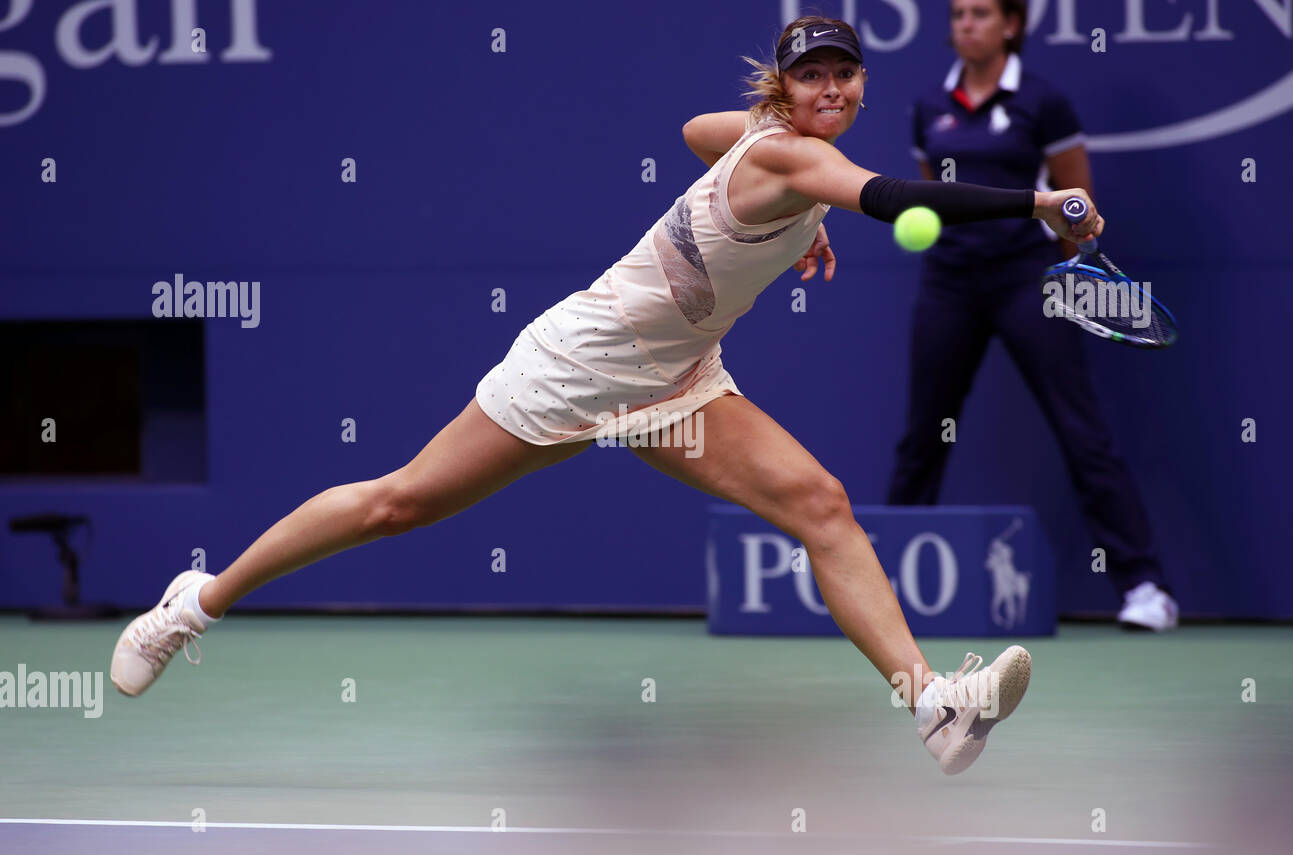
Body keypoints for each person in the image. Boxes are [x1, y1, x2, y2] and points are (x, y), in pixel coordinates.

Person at [111, 15, 1102, 775]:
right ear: (788, 86)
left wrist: (803, 217)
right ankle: (192, 602)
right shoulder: (794, 151)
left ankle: (930, 699)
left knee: (821, 504)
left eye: (843, 73)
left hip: (676, 381)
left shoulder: (770, 139)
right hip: (577, 365)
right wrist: (1035, 201)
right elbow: (901, 200)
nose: (831, 88)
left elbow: (694, 130)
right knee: (398, 501)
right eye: (811, 75)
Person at [887, 0, 1178, 631]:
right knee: (922, 435)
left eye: (982, 13)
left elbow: (1074, 202)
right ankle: (883, 586)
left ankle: (1145, 587)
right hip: (949, 283)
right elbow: (932, 191)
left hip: (1029, 280)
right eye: (959, 14)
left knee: (1082, 433)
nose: (966, 23)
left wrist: (1073, 280)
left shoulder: (1044, 102)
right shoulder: (927, 106)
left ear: (1011, 26)